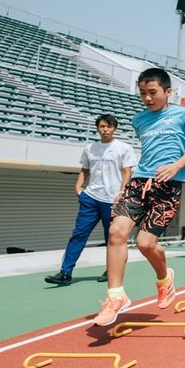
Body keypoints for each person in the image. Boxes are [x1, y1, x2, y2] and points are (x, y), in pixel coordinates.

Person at [93, 68, 185, 326]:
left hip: (168, 184)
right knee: (116, 232)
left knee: (144, 243)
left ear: (168, 92)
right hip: (140, 182)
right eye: (143, 93)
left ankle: (164, 279)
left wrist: (176, 166)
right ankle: (116, 296)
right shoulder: (139, 119)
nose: (148, 98)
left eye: (152, 93)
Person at [45, 114, 137, 286]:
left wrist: (122, 192)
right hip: (91, 197)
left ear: (114, 128)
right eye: (102, 126)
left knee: (112, 238)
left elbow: (127, 172)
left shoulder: (123, 148)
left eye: (108, 126)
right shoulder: (90, 148)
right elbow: (84, 169)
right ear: (97, 128)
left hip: (112, 199)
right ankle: (65, 273)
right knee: (78, 235)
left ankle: (111, 271)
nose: (105, 129)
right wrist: (78, 187)